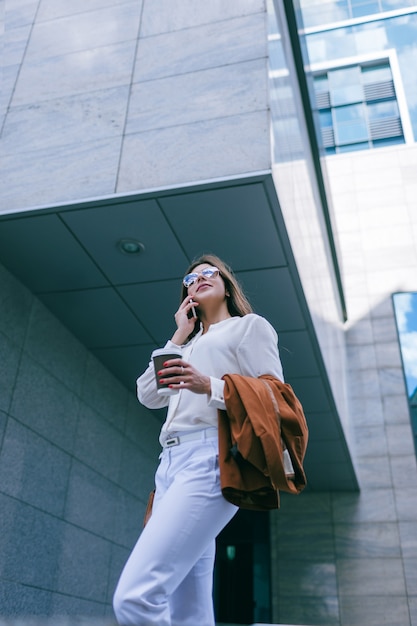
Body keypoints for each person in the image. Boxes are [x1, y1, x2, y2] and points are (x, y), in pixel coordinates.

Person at [113, 254, 284, 626]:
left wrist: (210, 386)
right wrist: (176, 337)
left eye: (208, 273)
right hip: (168, 468)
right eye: (190, 279)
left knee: (134, 599)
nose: (199, 279)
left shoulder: (247, 328)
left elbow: (274, 398)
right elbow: (148, 394)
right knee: (188, 612)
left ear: (226, 284)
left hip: (211, 458)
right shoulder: (185, 346)